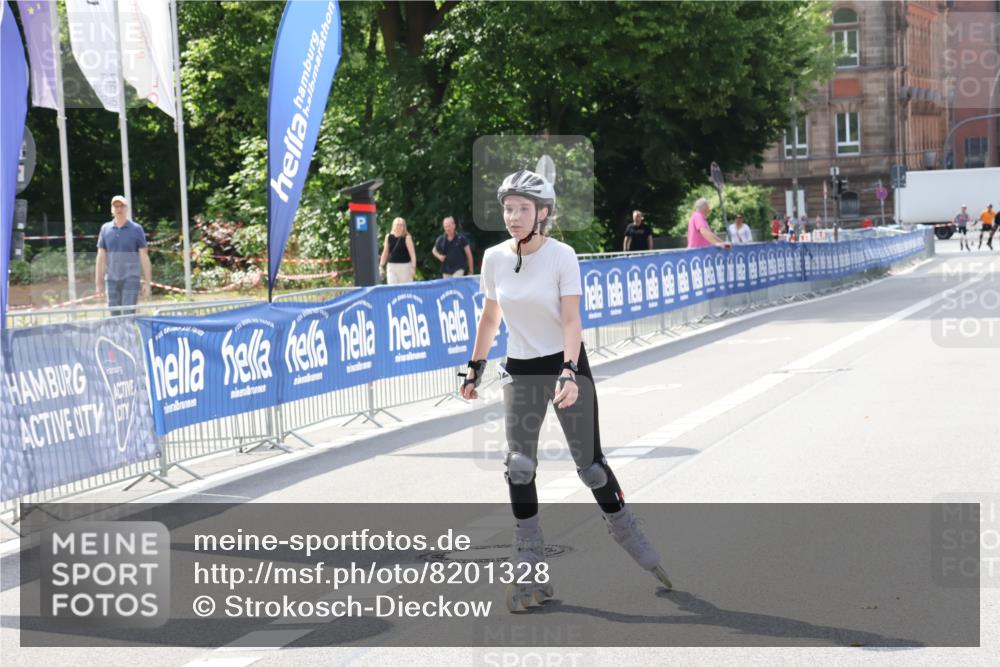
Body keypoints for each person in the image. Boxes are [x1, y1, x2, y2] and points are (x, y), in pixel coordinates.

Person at [460, 169, 671, 612]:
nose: (512, 216)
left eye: (521, 209)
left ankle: (626, 528)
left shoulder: (562, 256)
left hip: (564, 365)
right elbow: (490, 318)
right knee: (519, 465)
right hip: (520, 368)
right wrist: (474, 367)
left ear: (542, 214)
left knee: (590, 468)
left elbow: (572, 320)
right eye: (507, 208)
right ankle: (530, 562)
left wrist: (571, 370)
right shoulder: (496, 258)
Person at [95, 195, 151, 316]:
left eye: (122, 206)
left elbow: (144, 256)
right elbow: (101, 257)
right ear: (112, 210)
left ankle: (129, 335)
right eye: (116, 206)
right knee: (114, 314)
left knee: (128, 313)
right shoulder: (105, 229)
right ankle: (116, 335)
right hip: (111, 279)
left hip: (131, 278)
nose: (119, 209)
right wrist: (98, 283)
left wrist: (147, 281)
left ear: (127, 209)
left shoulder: (137, 229)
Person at [379, 217, 417, 284]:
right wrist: (381, 265)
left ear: (404, 227)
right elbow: (385, 252)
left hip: (405, 267)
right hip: (391, 266)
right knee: (392, 287)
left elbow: (412, 254)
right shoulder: (388, 237)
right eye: (398, 224)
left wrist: (413, 267)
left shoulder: (407, 237)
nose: (399, 226)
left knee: (405, 289)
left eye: (401, 225)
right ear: (393, 225)